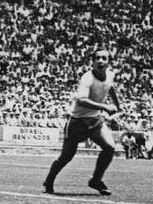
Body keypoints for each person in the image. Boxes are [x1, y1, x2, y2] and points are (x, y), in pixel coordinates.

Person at [43, 47, 121, 195]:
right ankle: (49, 180)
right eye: (97, 58)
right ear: (92, 61)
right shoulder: (87, 78)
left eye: (104, 58)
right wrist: (105, 106)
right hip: (77, 122)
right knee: (66, 156)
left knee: (110, 147)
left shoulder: (110, 75)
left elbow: (110, 88)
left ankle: (96, 180)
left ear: (109, 62)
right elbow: (82, 100)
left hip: (95, 120)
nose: (100, 61)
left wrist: (118, 106)